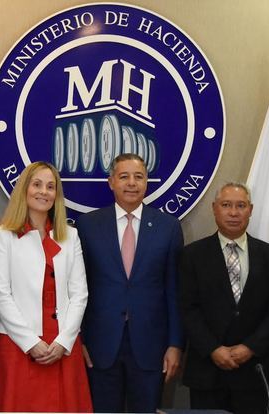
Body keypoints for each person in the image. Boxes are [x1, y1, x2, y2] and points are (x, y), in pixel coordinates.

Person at [76, 153, 184, 413]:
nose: (132, 183)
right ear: (111, 181)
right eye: (124, 177)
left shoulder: (168, 227)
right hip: (99, 345)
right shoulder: (87, 225)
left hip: (151, 346)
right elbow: (77, 289)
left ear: (147, 182)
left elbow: (175, 291)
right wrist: (77, 339)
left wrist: (176, 344)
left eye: (139, 177)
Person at [0, 161, 92, 412]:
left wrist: (65, 341)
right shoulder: (3, 234)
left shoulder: (70, 236)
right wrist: (30, 342)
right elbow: (0, 293)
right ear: (24, 189)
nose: (44, 192)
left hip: (62, 346)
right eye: (37, 184)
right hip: (18, 345)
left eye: (51, 186)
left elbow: (79, 294)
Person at [178, 182, 269, 413]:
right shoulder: (191, 255)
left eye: (241, 205)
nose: (234, 212)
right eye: (226, 205)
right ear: (214, 208)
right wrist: (213, 349)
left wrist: (250, 347)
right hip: (207, 370)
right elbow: (188, 309)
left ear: (251, 209)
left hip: (254, 369)